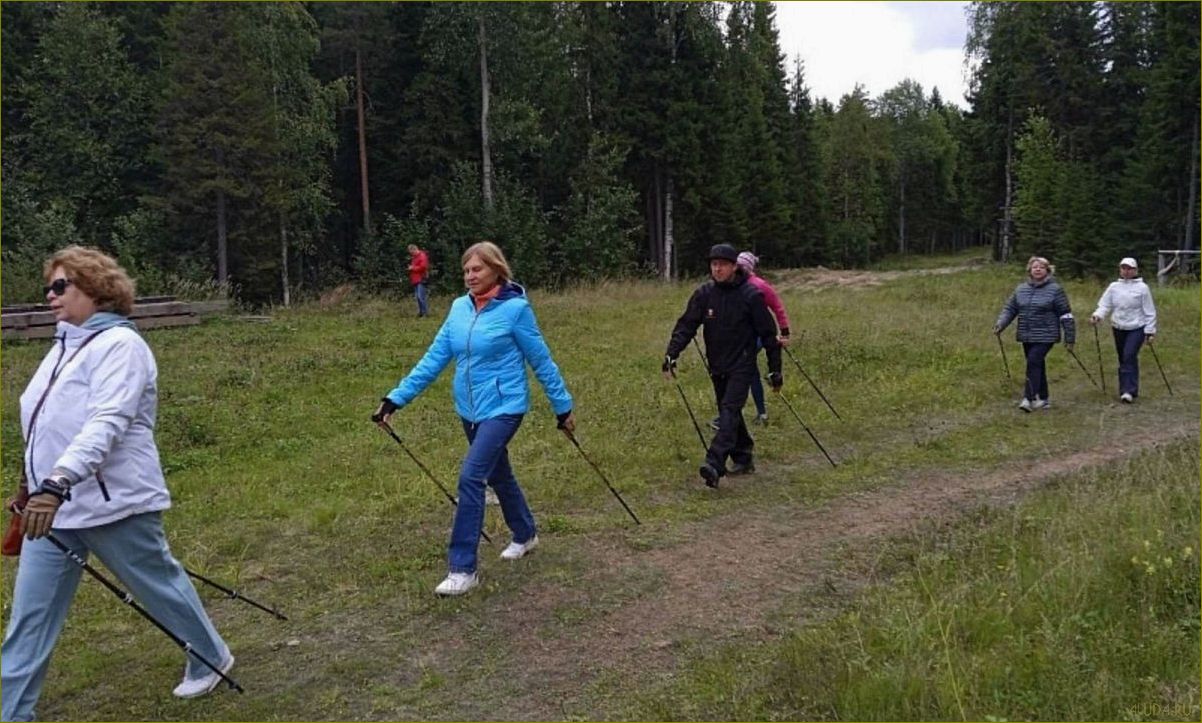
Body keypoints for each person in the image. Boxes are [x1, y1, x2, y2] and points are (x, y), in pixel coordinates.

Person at [3, 246, 232, 722]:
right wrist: (32, 486)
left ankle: (210, 656)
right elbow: (46, 422)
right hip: (54, 509)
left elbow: (105, 422)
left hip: (114, 503)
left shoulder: (121, 346)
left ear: (95, 286)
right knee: (29, 618)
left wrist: (57, 481)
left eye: (60, 285)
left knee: (160, 586)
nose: (50, 295)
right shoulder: (63, 346)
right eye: (49, 286)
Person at [374, 241, 575, 597]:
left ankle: (462, 568)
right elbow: (433, 359)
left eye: (477, 269)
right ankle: (526, 533)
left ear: (496, 270)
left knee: (471, 477)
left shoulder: (516, 310)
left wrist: (563, 407)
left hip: (504, 407)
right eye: (466, 270)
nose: (470, 276)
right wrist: (395, 399)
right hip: (469, 409)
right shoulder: (458, 309)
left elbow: (541, 361)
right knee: (500, 474)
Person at [663, 243, 783, 488]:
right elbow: (687, 325)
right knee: (730, 411)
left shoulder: (751, 296)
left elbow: (769, 336)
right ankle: (743, 455)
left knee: (728, 410)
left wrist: (775, 369)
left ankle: (714, 463)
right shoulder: (704, 294)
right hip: (717, 363)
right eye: (713, 264)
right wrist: (672, 354)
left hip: (742, 363)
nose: (717, 269)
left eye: (722, 265)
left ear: (734, 267)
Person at [993, 255, 1077, 412]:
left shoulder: (1055, 290)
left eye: (1041, 267)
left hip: (1047, 334)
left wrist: (1070, 337)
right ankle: (1043, 398)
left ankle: (1028, 398)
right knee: (1036, 364)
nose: (1037, 269)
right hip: (1026, 334)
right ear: (1029, 270)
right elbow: (1010, 309)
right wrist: (1001, 324)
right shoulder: (1021, 289)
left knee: (1033, 360)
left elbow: (1065, 314)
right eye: (1034, 267)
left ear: (1047, 270)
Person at [1090, 256, 1158, 403]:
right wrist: (1098, 315)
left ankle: (1127, 391)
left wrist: (1150, 331)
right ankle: (1129, 388)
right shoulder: (1114, 287)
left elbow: (1149, 311)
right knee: (1124, 358)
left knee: (1128, 355)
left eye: (1130, 268)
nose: (1126, 271)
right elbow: (1105, 305)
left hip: (1137, 327)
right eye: (1124, 268)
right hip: (1118, 327)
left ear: (1135, 270)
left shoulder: (1142, 288)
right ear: (1120, 270)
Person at [736, 251, 791, 424]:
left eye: (741, 266)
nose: (737, 269)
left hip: (759, 336)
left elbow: (777, 307)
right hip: (743, 337)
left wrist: (785, 332)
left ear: (748, 268)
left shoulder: (760, 285)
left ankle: (730, 415)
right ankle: (761, 413)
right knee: (749, 372)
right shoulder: (734, 285)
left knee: (744, 369)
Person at [407, 244, 430, 318]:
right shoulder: (414, 257)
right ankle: (421, 312)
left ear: (414, 249)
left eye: (412, 252)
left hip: (421, 279)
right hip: (415, 279)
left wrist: (412, 268)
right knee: (417, 297)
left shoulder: (422, 256)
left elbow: (423, 267)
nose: (411, 254)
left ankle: (425, 313)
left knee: (421, 296)